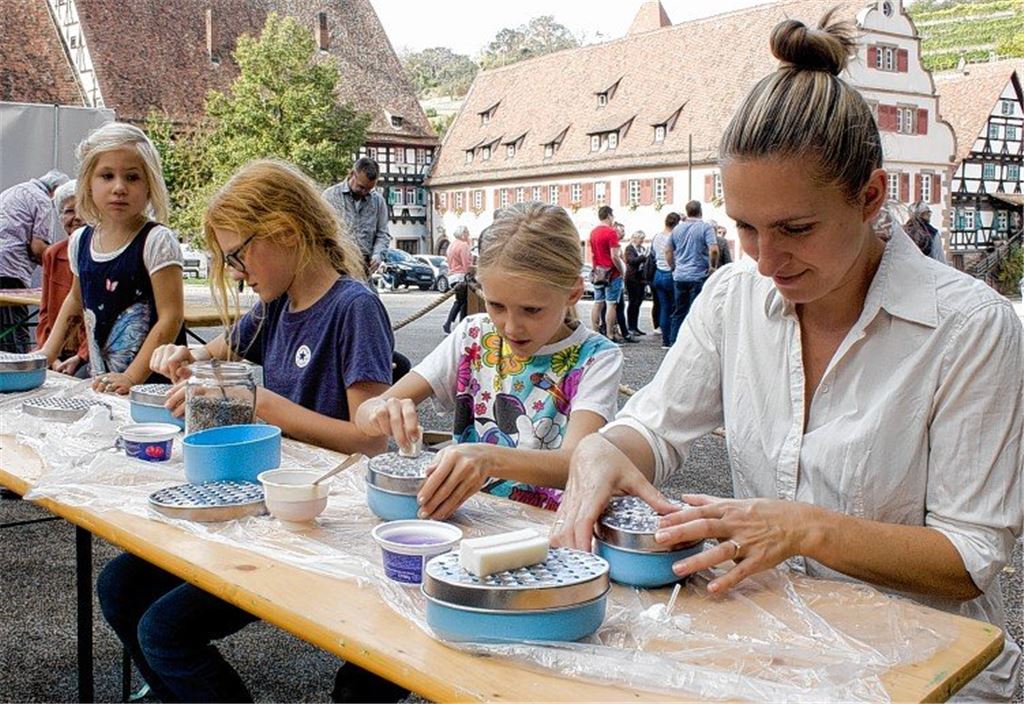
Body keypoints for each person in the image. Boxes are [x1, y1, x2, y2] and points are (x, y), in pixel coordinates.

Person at [552, 12, 1022, 700]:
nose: (767, 260)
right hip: (776, 648)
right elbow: (655, 428)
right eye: (744, 227)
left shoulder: (970, 327)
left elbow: (970, 558)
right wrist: (604, 449)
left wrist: (806, 529)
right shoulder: (732, 296)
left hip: (932, 670)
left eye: (795, 229)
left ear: (870, 196)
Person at [98, 159, 399, 704]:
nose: (236, 270)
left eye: (237, 254)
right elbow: (213, 358)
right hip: (262, 507)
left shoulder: (355, 308)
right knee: (119, 586)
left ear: (284, 231)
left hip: (320, 525)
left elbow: (371, 439)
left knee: (165, 632)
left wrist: (268, 407)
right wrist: (180, 357)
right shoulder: (273, 305)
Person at [355, 201, 623, 519]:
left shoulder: (597, 359)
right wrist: (381, 411)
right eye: (496, 305)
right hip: (467, 521)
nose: (511, 326)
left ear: (573, 293)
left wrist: (488, 458)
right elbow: (363, 413)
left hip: (549, 532)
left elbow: (575, 462)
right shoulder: (474, 335)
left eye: (531, 310)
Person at [39, 123, 184, 392]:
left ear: (150, 184)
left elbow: (171, 317)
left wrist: (131, 377)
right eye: (107, 176)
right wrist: (48, 351)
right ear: (87, 183)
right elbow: (75, 299)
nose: (119, 187)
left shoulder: (156, 241)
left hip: (154, 389)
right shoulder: (80, 241)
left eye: (132, 177)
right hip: (103, 381)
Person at [0, 169, 69, 352]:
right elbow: (38, 248)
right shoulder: (42, 201)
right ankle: (21, 372)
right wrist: (63, 269)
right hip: (10, 269)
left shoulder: (13, 191)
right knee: (14, 332)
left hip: (4, 265)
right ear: (55, 192)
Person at [36, 179, 88, 376]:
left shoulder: (98, 252)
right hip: (57, 349)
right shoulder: (52, 254)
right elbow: (45, 314)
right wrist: (51, 355)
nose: (76, 217)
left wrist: (81, 356)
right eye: (68, 211)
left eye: (82, 209)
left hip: (88, 354)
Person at [322, 156, 390, 274]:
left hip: (364, 270)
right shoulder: (330, 196)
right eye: (361, 187)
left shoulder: (378, 201)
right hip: (336, 268)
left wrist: (378, 255)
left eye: (369, 189)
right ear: (352, 174)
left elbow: (382, 234)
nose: (364, 192)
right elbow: (321, 232)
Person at [666, 200, 719, 345]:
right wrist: (712, 266)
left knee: (678, 311)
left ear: (687, 211)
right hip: (698, 275)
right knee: (696, 312)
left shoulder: (677, 229)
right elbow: (713, 249)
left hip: (680, 275)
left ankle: (674, 342)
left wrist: (674, 267)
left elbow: (668, 250)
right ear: (700, 211)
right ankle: (692, 344)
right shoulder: (705, 227)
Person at [588, 206, 631, 343]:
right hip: (611, 274)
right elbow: (614, 256)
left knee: (598, 302)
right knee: (611, 304)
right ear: (609, 216)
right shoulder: (611, 232)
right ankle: (609, 334)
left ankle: (595, 332)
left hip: (598, 272)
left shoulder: (593, 232)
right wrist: (622, 271)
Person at [651, 212, 679, 349]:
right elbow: (671, 253)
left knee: (664, 307)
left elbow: (652, 254)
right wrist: (673, 266)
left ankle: (665, 340)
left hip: (658, 273)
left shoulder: (657, 237)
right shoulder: (673, 237)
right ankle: (673, 338)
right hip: (670, 273)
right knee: (675, 308)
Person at [443, 225, 472, 334]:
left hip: (452, 276)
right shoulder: (463, 246)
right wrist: (470, 273)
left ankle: (455, 323)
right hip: (461, 276)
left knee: (460, 301)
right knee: (462, 302)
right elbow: (466, 264)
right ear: (463, 234)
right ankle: (451, 323)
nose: (468, 235)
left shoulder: (451, 245)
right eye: (467, 233)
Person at [624, 230, 648, 336]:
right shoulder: (629, 248)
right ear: (635, 238)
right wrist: (643, 257)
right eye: (640, 238)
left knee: (638, 302)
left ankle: (635, 326)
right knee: (633, 302)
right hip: (632, 278)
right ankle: (631, 326)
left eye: (643, 239)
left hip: (641, 278)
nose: (642, 241)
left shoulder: (642, 249)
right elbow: (631, 261)